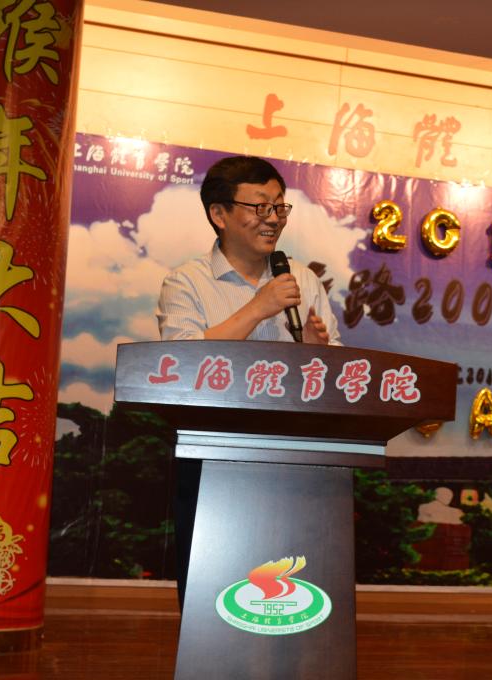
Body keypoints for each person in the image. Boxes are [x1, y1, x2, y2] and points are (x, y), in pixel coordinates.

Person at [156, 156, 341, 609]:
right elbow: (182, 363)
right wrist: (258, 308)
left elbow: (337, 375)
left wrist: (317, 353)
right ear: (219, 214)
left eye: (279, 206)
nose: (273, 218)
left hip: (296, 457)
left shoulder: (303, 279)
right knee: (211, 585)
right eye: (260, 207)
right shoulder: (186, 282)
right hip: (211, 455)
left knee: (295, 580)